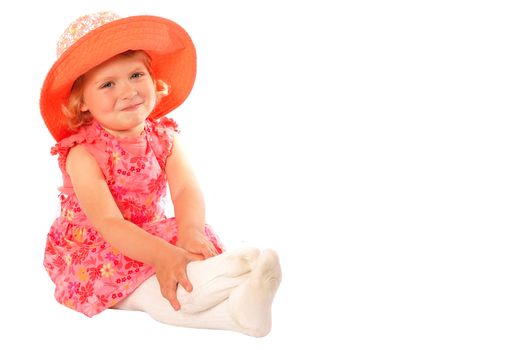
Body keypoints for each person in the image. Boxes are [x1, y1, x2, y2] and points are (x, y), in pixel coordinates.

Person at [40, 11, 281, 337]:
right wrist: (162, 255)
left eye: (136, 75)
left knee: (191, 253)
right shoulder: (83, 154)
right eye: (108, 84)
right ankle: (234, 288)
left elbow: (184, 189)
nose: (128, 91)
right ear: (82, 102)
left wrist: (191, 231)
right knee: (152, 293)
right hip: (102, 248)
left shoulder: (165, 137)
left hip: (150, 233)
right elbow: (109, 223)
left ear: (154, 80)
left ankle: (241, 301)